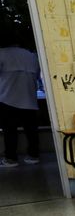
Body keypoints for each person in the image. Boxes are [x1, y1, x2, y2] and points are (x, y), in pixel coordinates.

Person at [0, 32, 40, 168]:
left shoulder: (2, 53)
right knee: (31, 130)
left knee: (10, 131)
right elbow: (38, 76)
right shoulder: (31, 55)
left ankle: (11, 158)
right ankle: (33, 156)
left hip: (7, 98)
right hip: (30, 99)